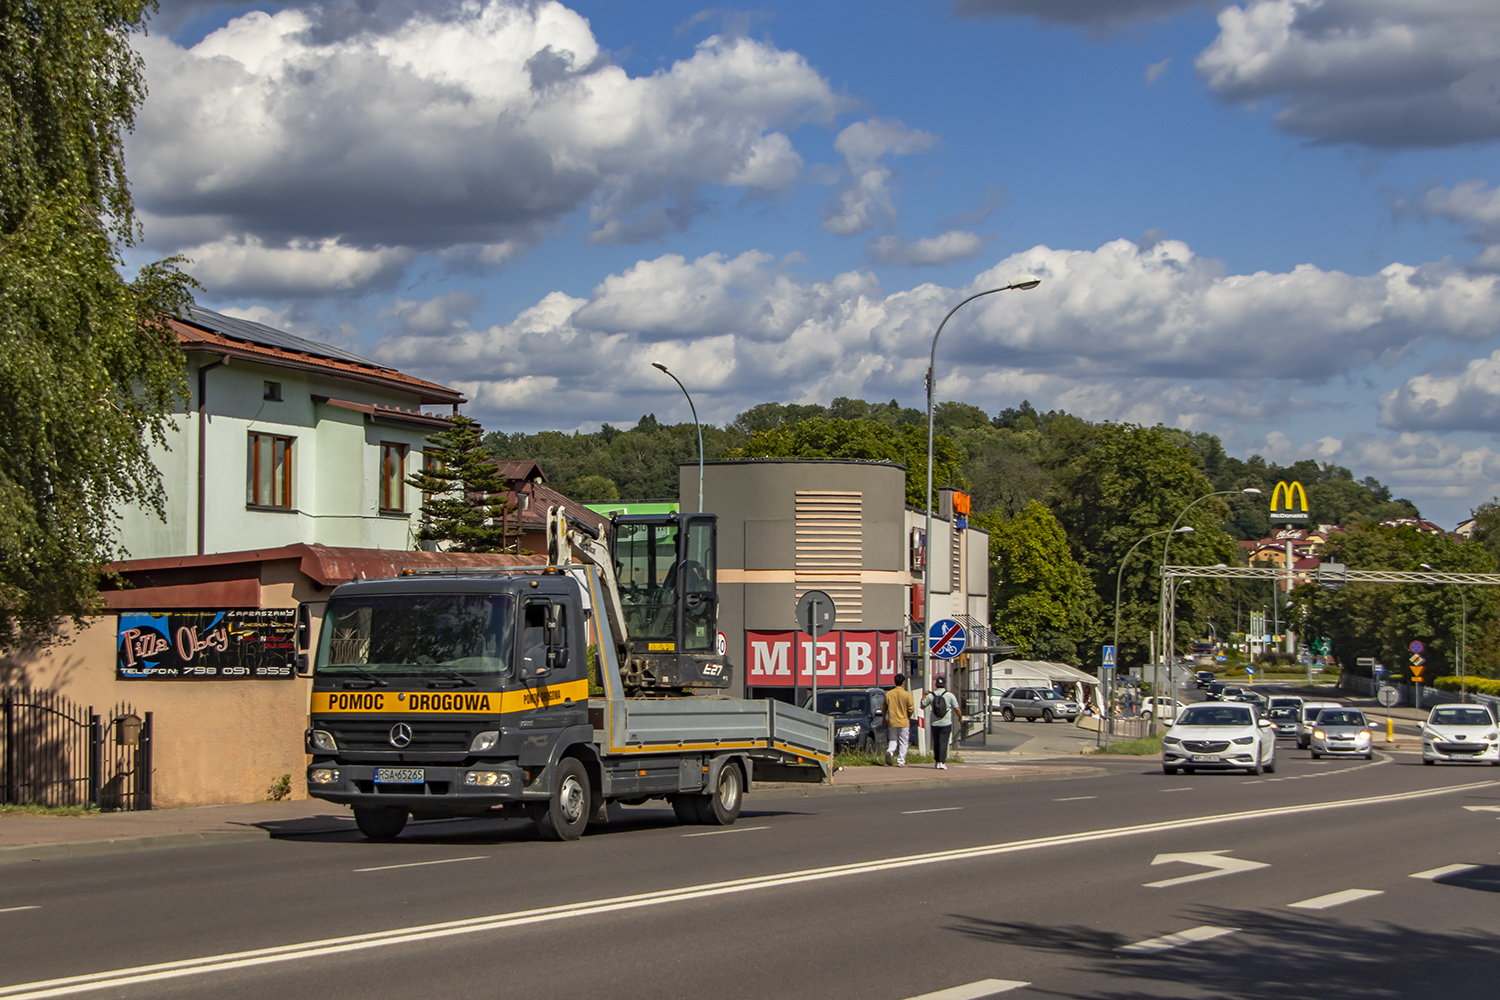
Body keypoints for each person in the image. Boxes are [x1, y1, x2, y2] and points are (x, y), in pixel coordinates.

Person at [921, 677, 962, 769]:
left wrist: (924, 695)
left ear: (936, 685)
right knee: (944, 742)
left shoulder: (931, 696)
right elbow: (957, 709)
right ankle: (942, 762)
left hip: (934, 724)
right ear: (945, 684)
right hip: (946, 723)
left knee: (936, 743)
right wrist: (960, 717)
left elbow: (922, 705)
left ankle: (937, 761)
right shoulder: (950, 695)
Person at [883, 673, 915, 766]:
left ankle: (890, 751)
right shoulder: (907, 695)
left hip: (892, 720)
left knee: (893, 739)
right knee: (903, 741)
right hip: (904, 721)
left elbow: (884, 707)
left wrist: (884, 718)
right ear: (903, 682)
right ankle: (900, 761)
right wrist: (908, 715)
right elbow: (911, 708)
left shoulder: (889, 694)